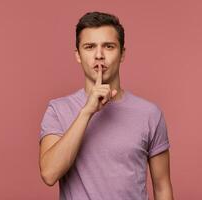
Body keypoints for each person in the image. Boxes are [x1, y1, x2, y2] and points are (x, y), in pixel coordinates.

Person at [38, 11, 174, 200]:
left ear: (122, 54)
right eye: (89, 47)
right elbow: (49, 174)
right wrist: (87, 112)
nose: (99, 55)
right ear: (78, 55)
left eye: (109, 46)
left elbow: (162, 187)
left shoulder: (150, 114)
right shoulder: (57, 110)